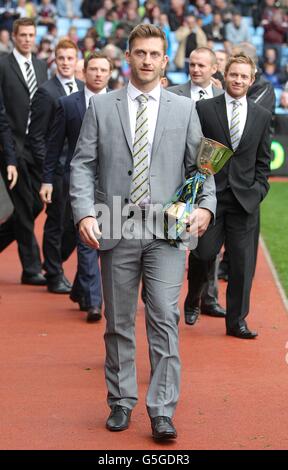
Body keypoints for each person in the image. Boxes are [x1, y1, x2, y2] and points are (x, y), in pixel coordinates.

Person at [70, 24, 216, 440]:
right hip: (115, 223)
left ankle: (163, 409)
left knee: (165, 318)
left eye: (154, 54)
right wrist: (83, 212)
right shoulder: (101, 107)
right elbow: (82, 164)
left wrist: (205, 207)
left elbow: (201, 169)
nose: (147, 61)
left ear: (166, 60)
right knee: (117, 321)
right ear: (128, 58)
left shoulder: (184, 108)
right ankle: (120, 401)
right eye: (140, 53)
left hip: (167, 230)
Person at [188, 53, 272, 340]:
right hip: (211, 199)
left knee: (241, 265)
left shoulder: (261, 116)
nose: (238, 80)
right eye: (233, 74)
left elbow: (263, 161)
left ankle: (237, 322)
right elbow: (193, 150)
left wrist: (259, 190)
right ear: (224, 75)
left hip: (245, 202)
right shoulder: (204, 108)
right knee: (203, 253)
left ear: (251, 80)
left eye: (243, 76)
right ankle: (193, 297)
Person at [44, 52, 112, 321]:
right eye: (93, 69)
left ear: (110, 73)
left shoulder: (118, 103)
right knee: (88, 241)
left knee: (99, 241)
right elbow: (54, 145)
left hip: (109, 183)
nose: (97, 74)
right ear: (84, 72)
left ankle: (80, 289)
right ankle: (95, 302)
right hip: (78, 183)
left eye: (103, 70)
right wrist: (47, 179)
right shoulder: (67, 104)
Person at [169, 47, 226, 324]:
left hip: (210, 182)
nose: (196, 69)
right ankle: (159, 293)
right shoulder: (173, 93)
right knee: (169, 239)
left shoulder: (223, 98)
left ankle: (204, 298)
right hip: (175, 178)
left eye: (202, 65)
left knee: (206, 249)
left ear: (214, 68)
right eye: (192, 64)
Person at [29, 39, 84, 294]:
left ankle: (53, 263)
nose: (65, 63)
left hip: (82, 171)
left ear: (76, 61)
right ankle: (53, 273)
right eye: (61, 58)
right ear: (55, 60)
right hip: (59, 172)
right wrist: (49, 172)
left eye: (69, 58)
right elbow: (37, 137)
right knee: (55, 223)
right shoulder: (46, 92)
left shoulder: (84, 89)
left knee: (76, 226)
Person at [0, 17, 47, 285]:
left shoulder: (41, 67)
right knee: (22, 204)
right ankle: (31, 268)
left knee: (35, 204)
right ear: (14, 37)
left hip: (35, 147)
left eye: (31, 35)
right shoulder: (2, 65)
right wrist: (8, 155)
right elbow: (1, 114)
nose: (27, 39)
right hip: (11, 147)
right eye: (23, 35)